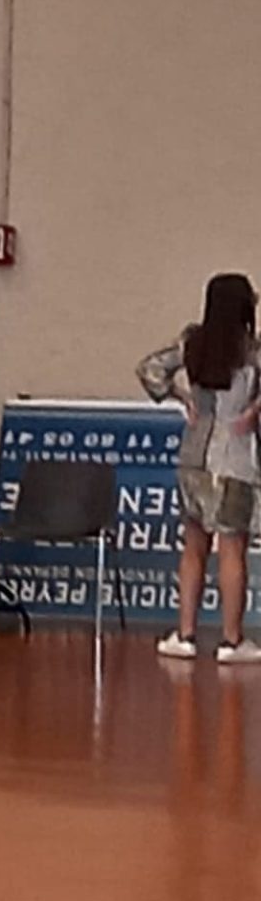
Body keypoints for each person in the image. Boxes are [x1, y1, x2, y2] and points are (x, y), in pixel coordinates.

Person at [138, 273, 261, 664]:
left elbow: (149, 369)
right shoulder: (252, 350)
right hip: (235, 459)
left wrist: (181, 397)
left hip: (192, 457)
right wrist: (254, 410)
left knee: (193, 547)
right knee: (232, 550)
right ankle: (231, 641)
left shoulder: (192, 343)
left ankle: (185, 635)